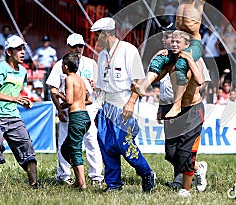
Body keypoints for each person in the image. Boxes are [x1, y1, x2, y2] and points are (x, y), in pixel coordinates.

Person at [132, 0, 217, 118]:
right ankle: (143, 86)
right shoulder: (181, 0)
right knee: (160, 59)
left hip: (193, 43)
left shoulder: (198, 3)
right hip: (178, 41)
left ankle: (177, 105)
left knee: (181, 65)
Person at [91, 17, 155, 192]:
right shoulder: (102, 55)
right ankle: (113, 183)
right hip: (105, 106)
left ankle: (146, 172)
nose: (95, 39)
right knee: (105, 144)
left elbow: (139, 81)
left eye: (97, 35)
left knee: (124, 144)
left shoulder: (129, 50)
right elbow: (101, 84)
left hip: (123, 104)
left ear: (105, 34)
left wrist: (131, 103)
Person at [46, 33, 104, 186]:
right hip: (68, 111)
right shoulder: (60, 64)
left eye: (81, 46)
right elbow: (53, 88)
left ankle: (96, 177)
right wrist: (59, 109)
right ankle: (64, 176)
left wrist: (95, 86)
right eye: (74, 46)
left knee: (91, 141)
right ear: (68, 47)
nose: (78, 49)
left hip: (87, 108)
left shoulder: (91, 63)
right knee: (65, 142)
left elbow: (99, 88)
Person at [155, 30, 209, 192]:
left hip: (193, 110)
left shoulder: (195, 59)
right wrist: (157, 58)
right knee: (171, 153)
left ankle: (185, 189)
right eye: (172, 41)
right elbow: (157, 80)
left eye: (178, 42)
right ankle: (198, 167)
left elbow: (200, 80)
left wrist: (189, 59)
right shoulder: (169, 59)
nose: (174, 44)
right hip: (173, 109)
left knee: (186, 152)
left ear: (187, 45)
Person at [0, 35, 38, 188]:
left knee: (27, 146)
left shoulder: (23, 72)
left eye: (23, 48)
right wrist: (14, 99)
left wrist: (23, 100)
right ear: (8, 52)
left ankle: (34, 184)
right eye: (18, 49)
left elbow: (13, 92)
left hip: (13, 115)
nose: (22, 52)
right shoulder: (1, 67)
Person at [56, 53, 93, 190]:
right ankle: (78, 180)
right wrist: (67, 104)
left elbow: (70, 100)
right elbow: (89, 100)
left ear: (66, 67)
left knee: (75, 150)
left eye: (62, 65)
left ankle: (81, 183)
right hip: (85, 116)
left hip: (76, 117)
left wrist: (58, 94)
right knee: (66, 149)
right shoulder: (81, 80)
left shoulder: (69, 79)